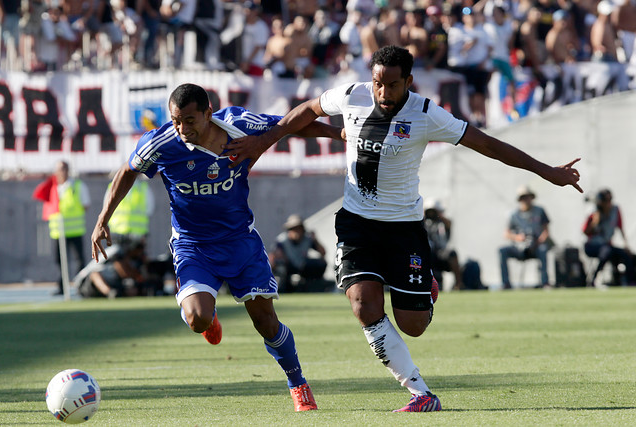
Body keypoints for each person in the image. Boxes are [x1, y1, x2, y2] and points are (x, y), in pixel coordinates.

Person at [223, 45, 582, 413]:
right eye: (379, 83)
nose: (383, 92)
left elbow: (487, 144)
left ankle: (426, 287)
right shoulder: (352, 94)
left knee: (412, 326)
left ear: (408, 82)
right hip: (356, 223)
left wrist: (547, 171)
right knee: (364, 306)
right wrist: (264, 141)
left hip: (403, 228)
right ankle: (421, 394)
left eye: (392, 85)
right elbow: (308, 110)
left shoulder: (427, 114)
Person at [91, 83, 343, 411]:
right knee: (197, 318)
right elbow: (127, 170)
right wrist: (103, 218)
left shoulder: (238, 124)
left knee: (265, 322)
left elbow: (290, 124)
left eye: (190, 120)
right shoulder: (161, 142)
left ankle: (298, 383)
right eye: (176, 120)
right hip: (192, 245)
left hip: (240, 242)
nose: (182, 129)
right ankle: (209, 317)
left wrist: (339, 135)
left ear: (209, 113)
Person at [33, 160, 91, 296]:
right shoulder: (52, 188)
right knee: (59, 261)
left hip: (75, 230)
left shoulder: (77, 186)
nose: (62, 172)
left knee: (79, 260)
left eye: (64, 169)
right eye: (59, 169)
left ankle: (80, 286)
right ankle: (62, 286)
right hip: (58, 232)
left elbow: (85, 204)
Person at [499, 185, 553, 289]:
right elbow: (506, 234)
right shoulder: (514, 214)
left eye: (527, 197)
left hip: (536, 246)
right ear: (520, 199)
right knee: (502, 251)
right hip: (519, 247)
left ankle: (545, 282)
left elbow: (546, 231)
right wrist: (517, 238)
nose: (526, 200)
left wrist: (539, 241)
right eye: (523, 197)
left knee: (543, 250)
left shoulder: (539, 211)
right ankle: (506, 283)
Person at [583, 188, 634, 287]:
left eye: (610, 200)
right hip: (592, 246)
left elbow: (620, 228)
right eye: (606, 201)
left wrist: (626, 245)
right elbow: (585, 232)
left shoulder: (615, 210)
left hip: (607, 245)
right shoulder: (593, 212)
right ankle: (593, 279)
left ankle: (629, 281)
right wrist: (594, 222)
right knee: (606, 252)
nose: (609, 203)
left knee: (625, 255)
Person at [270, 214, 328, 293]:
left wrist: (315, 240)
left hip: (302, 265)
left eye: (299, 229)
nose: (297, 232)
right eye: (294, 229)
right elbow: (273, 257)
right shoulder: (282, 241)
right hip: (287, 266)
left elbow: (323, 252)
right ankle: (283, 289)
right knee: (281, 267)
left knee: (320, 263)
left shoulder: (307, 239)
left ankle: (312, 287)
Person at [423, 199, 463, 291]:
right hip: (428, 253)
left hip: (440, 253)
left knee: (452, 253)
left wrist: (438, 215)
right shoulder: (423, 223)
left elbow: (449, 223)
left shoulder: (442, 223)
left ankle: (458, 284)